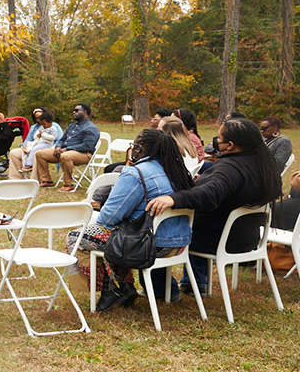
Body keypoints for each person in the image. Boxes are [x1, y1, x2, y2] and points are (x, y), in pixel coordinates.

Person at [147, 117, 283, 295]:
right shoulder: (263, 164)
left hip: (218, 240)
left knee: (161, 230)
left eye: (219, 138)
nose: (216, 141)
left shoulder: (230, 169)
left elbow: (209, 193)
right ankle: (194, 283)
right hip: (247, 238)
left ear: (230, 145)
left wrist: (173, 199)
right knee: (200, 223)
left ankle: (163, 290)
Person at [65, 129, 194, 310]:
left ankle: (109, 291)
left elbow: (108, 218)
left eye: (133, 146)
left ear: (140, 149)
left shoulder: (135, 173)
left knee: (76, 237)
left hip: (147, 245)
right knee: (114, 235)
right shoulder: (176, 170)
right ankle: (126, 287)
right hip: (179, 243)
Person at [34, 103, 100, 191]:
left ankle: (68, 184)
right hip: (64, 151)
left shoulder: (91, 128)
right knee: (40, 153)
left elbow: (87, 146)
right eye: (73, 110)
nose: (74, 112)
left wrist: (66, 149)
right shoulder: (72, 126)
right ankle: (47, 181)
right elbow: (62, 139)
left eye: (76, 110)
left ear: (85, 112)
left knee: (66, 156)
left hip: (84, 154)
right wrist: (58, 147)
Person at [8, 108, 62, 179]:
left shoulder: (54, 126)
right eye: (37, 118)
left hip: (47, 147)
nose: (39, 120)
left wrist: (52, 148)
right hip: (33, 146)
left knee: (37, 154)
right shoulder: (34, 127)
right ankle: (15, 178)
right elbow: (27, 140)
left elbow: (60, 141)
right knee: (13, 153)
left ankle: (34, 179)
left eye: (40, 117)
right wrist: (24, 146)